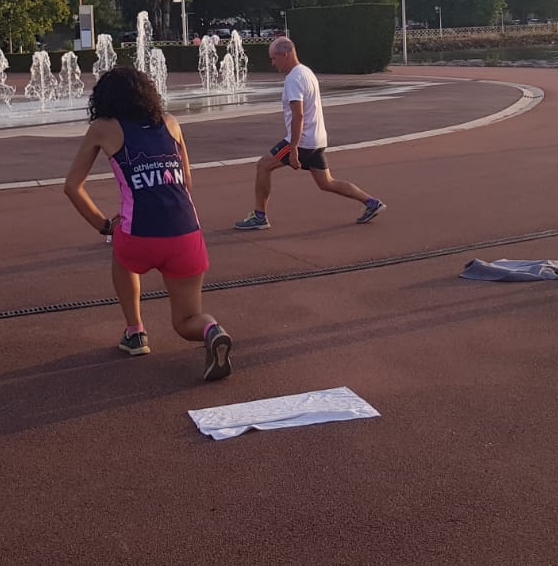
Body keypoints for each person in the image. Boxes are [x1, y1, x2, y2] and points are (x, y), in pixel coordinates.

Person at [64, 67, 233, 381]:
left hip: (139, 236)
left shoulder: (103, 128)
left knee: (120, 250)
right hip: (187, 234)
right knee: (186, 321)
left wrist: (104, 225)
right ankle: (211, 330)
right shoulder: (171, 123)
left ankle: (135, 332)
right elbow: (187, 182)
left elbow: (72, 186)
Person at [234, 37, 385, 230]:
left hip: (303, 141)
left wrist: (293, 148)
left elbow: (298, 115)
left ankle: (259, 216)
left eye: (273, 58)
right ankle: (371, 202)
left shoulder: (294, 79)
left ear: (285, 55)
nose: (272, 63)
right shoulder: (306, 72)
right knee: (326, 182)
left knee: (263, 166)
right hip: (317, 139)